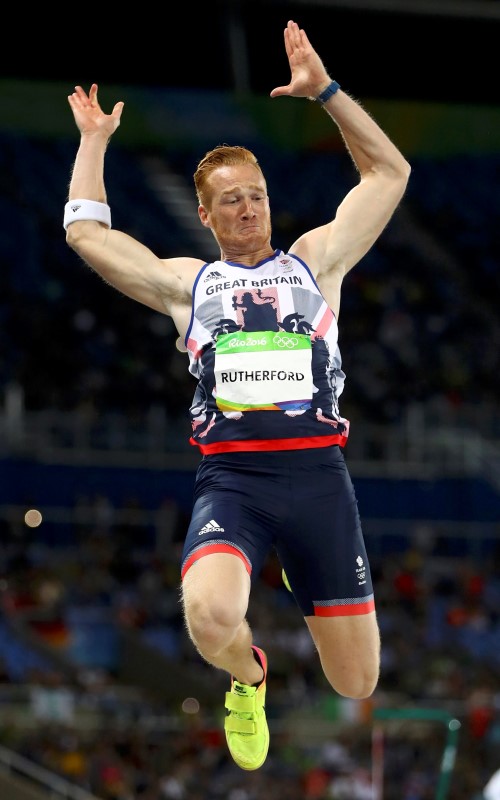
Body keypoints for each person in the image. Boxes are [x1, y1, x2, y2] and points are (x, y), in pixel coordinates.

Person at [64, 19, 410, 772]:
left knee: (356, 682)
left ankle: (295, 578)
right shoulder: (193, 286)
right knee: (209, 613)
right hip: (237, 484)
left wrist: (328, 94)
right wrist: (93, 143)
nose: (249, 208)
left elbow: (388, 176)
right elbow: (89, 237)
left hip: (320, 483)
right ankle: (247, 677)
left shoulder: (317, 264)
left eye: (256, 195)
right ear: (207, 216)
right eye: (231, 200)